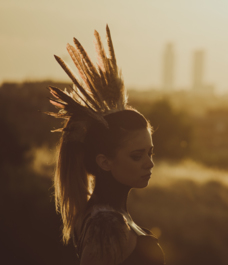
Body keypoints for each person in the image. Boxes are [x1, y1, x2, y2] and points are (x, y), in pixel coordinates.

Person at [47, 25, 165, 265]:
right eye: (136, 156)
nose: (149, 163)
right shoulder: (106, 225)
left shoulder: (111, 217)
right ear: (105, 161)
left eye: (150, 153)